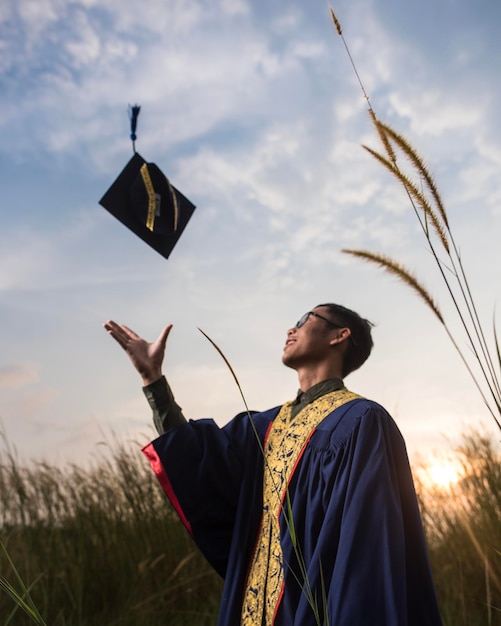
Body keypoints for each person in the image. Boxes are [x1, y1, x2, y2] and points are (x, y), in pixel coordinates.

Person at [104, 304, 442, 626]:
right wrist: (154, 381)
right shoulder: (263, 427)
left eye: (305, 318)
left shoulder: (361, 421)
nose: (290, 328)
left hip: (313, 610)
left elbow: (367, 551)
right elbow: (200, 462)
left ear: (339, 336)